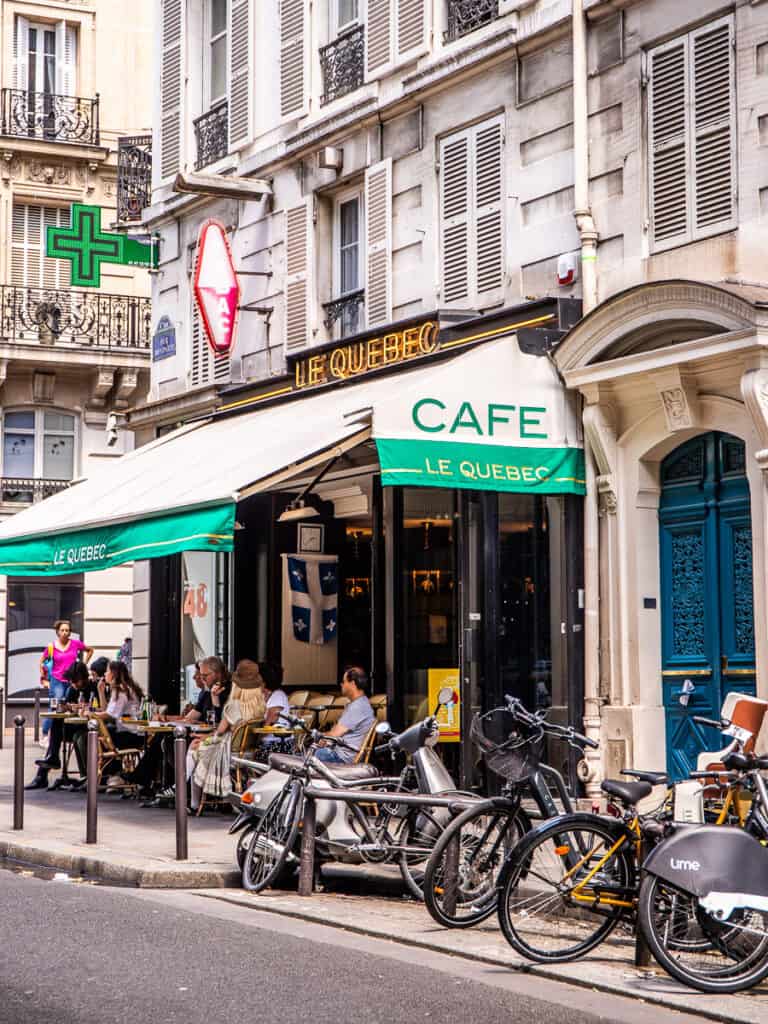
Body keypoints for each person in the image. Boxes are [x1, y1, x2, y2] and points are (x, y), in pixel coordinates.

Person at [123, 656, 230, 799]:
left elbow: (221, 723)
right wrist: (166, 719)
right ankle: (165, 783)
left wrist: (215, 699)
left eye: (205, 676)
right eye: (201, 675)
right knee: (166, 739)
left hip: (213, 737)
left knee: (170, 741)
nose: (201, 679)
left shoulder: (227, 692)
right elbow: (191, 717)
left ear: (218, 673)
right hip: (199, 733)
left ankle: (170, 784)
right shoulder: (206, 693)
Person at [188, 659, 267, 811]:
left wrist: (205, 738)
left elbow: (220, 730)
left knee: (194, 749)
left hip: (229, 751)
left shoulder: (234, 706)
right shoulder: (260, 706)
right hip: (248, 751)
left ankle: (193, 803)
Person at [25, 661, 97, 790]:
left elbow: (99, 708)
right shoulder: (71, 689)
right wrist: (67, 707)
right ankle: (48, 764)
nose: (73, 684)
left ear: (84, 678)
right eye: (71, 681)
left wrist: (85, 708)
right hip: (75, 724)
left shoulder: (94, 687)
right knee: (57, 723)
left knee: (70, 735)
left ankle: (47, 767)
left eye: (76, 681)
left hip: (89, 726)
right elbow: (67, 705)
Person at [73, 660, 143, 786]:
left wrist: (91, 714)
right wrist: (101, 692)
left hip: (129, 735)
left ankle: (100, 776)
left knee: (88, 737)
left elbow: (110, 715)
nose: (105, 674)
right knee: (84, 736)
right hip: (128, 732)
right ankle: (100, 775)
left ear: (113, 673)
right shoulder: (121, 688)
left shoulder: (121, 690)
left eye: (107, 671)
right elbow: (108, 710)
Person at [38, 620, 93, 744]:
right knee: (56, 706)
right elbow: (42, 661)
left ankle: (62, 734)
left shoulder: (75, 644)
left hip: (71, 679)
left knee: (69, 706)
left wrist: (83, 665)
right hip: (57, 680)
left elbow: (90, 650)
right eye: (62, 630)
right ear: (57, 632)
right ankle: (46, 734)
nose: (64, 632)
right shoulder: (51, 646)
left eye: (67, 630)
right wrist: (43, 674)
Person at [314, 666, 374, 765]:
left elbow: (334, 734)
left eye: (344, 681)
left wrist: (318, 737)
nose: (341, 685)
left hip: (344, 757)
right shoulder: (361, 703)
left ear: (352, 683)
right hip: (345, 753)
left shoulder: (358, 707)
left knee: (315, 754)